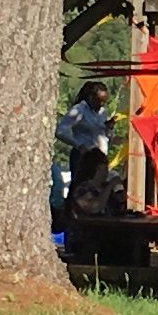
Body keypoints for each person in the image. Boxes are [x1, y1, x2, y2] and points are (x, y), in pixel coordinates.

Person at [54, 77, 113, 219]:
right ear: (91, 97)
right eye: (99, 100)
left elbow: (104, 135)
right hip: (84, 156)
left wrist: (109, 129)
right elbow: (60, 131)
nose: (101, 104)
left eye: (104, 101)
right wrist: (78, 145)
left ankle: (94, 215)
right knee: (81, 189)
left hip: (99, 157)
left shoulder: (102, 112)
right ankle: (73, 217)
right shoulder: (79, 110)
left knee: (96, 188)